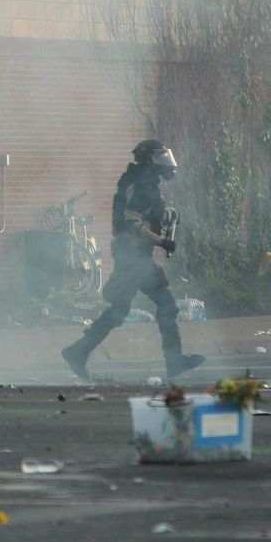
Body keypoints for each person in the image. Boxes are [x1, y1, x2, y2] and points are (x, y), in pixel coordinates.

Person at [61, 139, 205, 380]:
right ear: (149, 159)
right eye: (160, 157)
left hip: (133, 254)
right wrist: (161, 241)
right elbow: (132, 220)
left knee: (120, 309)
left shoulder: (140, 180)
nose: (166, 162)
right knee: (166, 305)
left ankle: (78, 352)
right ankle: (174, 361)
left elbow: (142, 215)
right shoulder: (141, 183)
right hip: (134, 256)